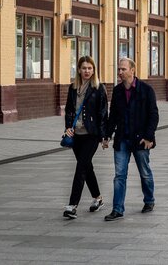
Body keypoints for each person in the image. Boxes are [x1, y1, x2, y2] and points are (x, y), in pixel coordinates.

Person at [104, 58, 159, 222]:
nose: (120, 72)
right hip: (122, 139)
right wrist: (107, 135)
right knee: (119, 175)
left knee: (145, 173)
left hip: (141, 139)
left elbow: (153, 115)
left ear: (133, 70)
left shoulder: (146, 90)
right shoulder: (117, 91)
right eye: (119, 69)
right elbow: (113, 115)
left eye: (123, 69)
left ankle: (149, 200)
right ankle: (117, 209)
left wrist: (149, 137)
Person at [62, 56, 108, 219]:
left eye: (90, 68)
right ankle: (98, 198)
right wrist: (68, 127)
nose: (87, 71)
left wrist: (104, 136)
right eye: (84, 68)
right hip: (76, 135)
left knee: (80, 168)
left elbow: (103, 113)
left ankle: (72, 205)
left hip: (91, 135)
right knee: (87, 167)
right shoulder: (73, 88)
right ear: (79, 70)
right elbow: (69, 110)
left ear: (94, 70)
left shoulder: (98, 88)